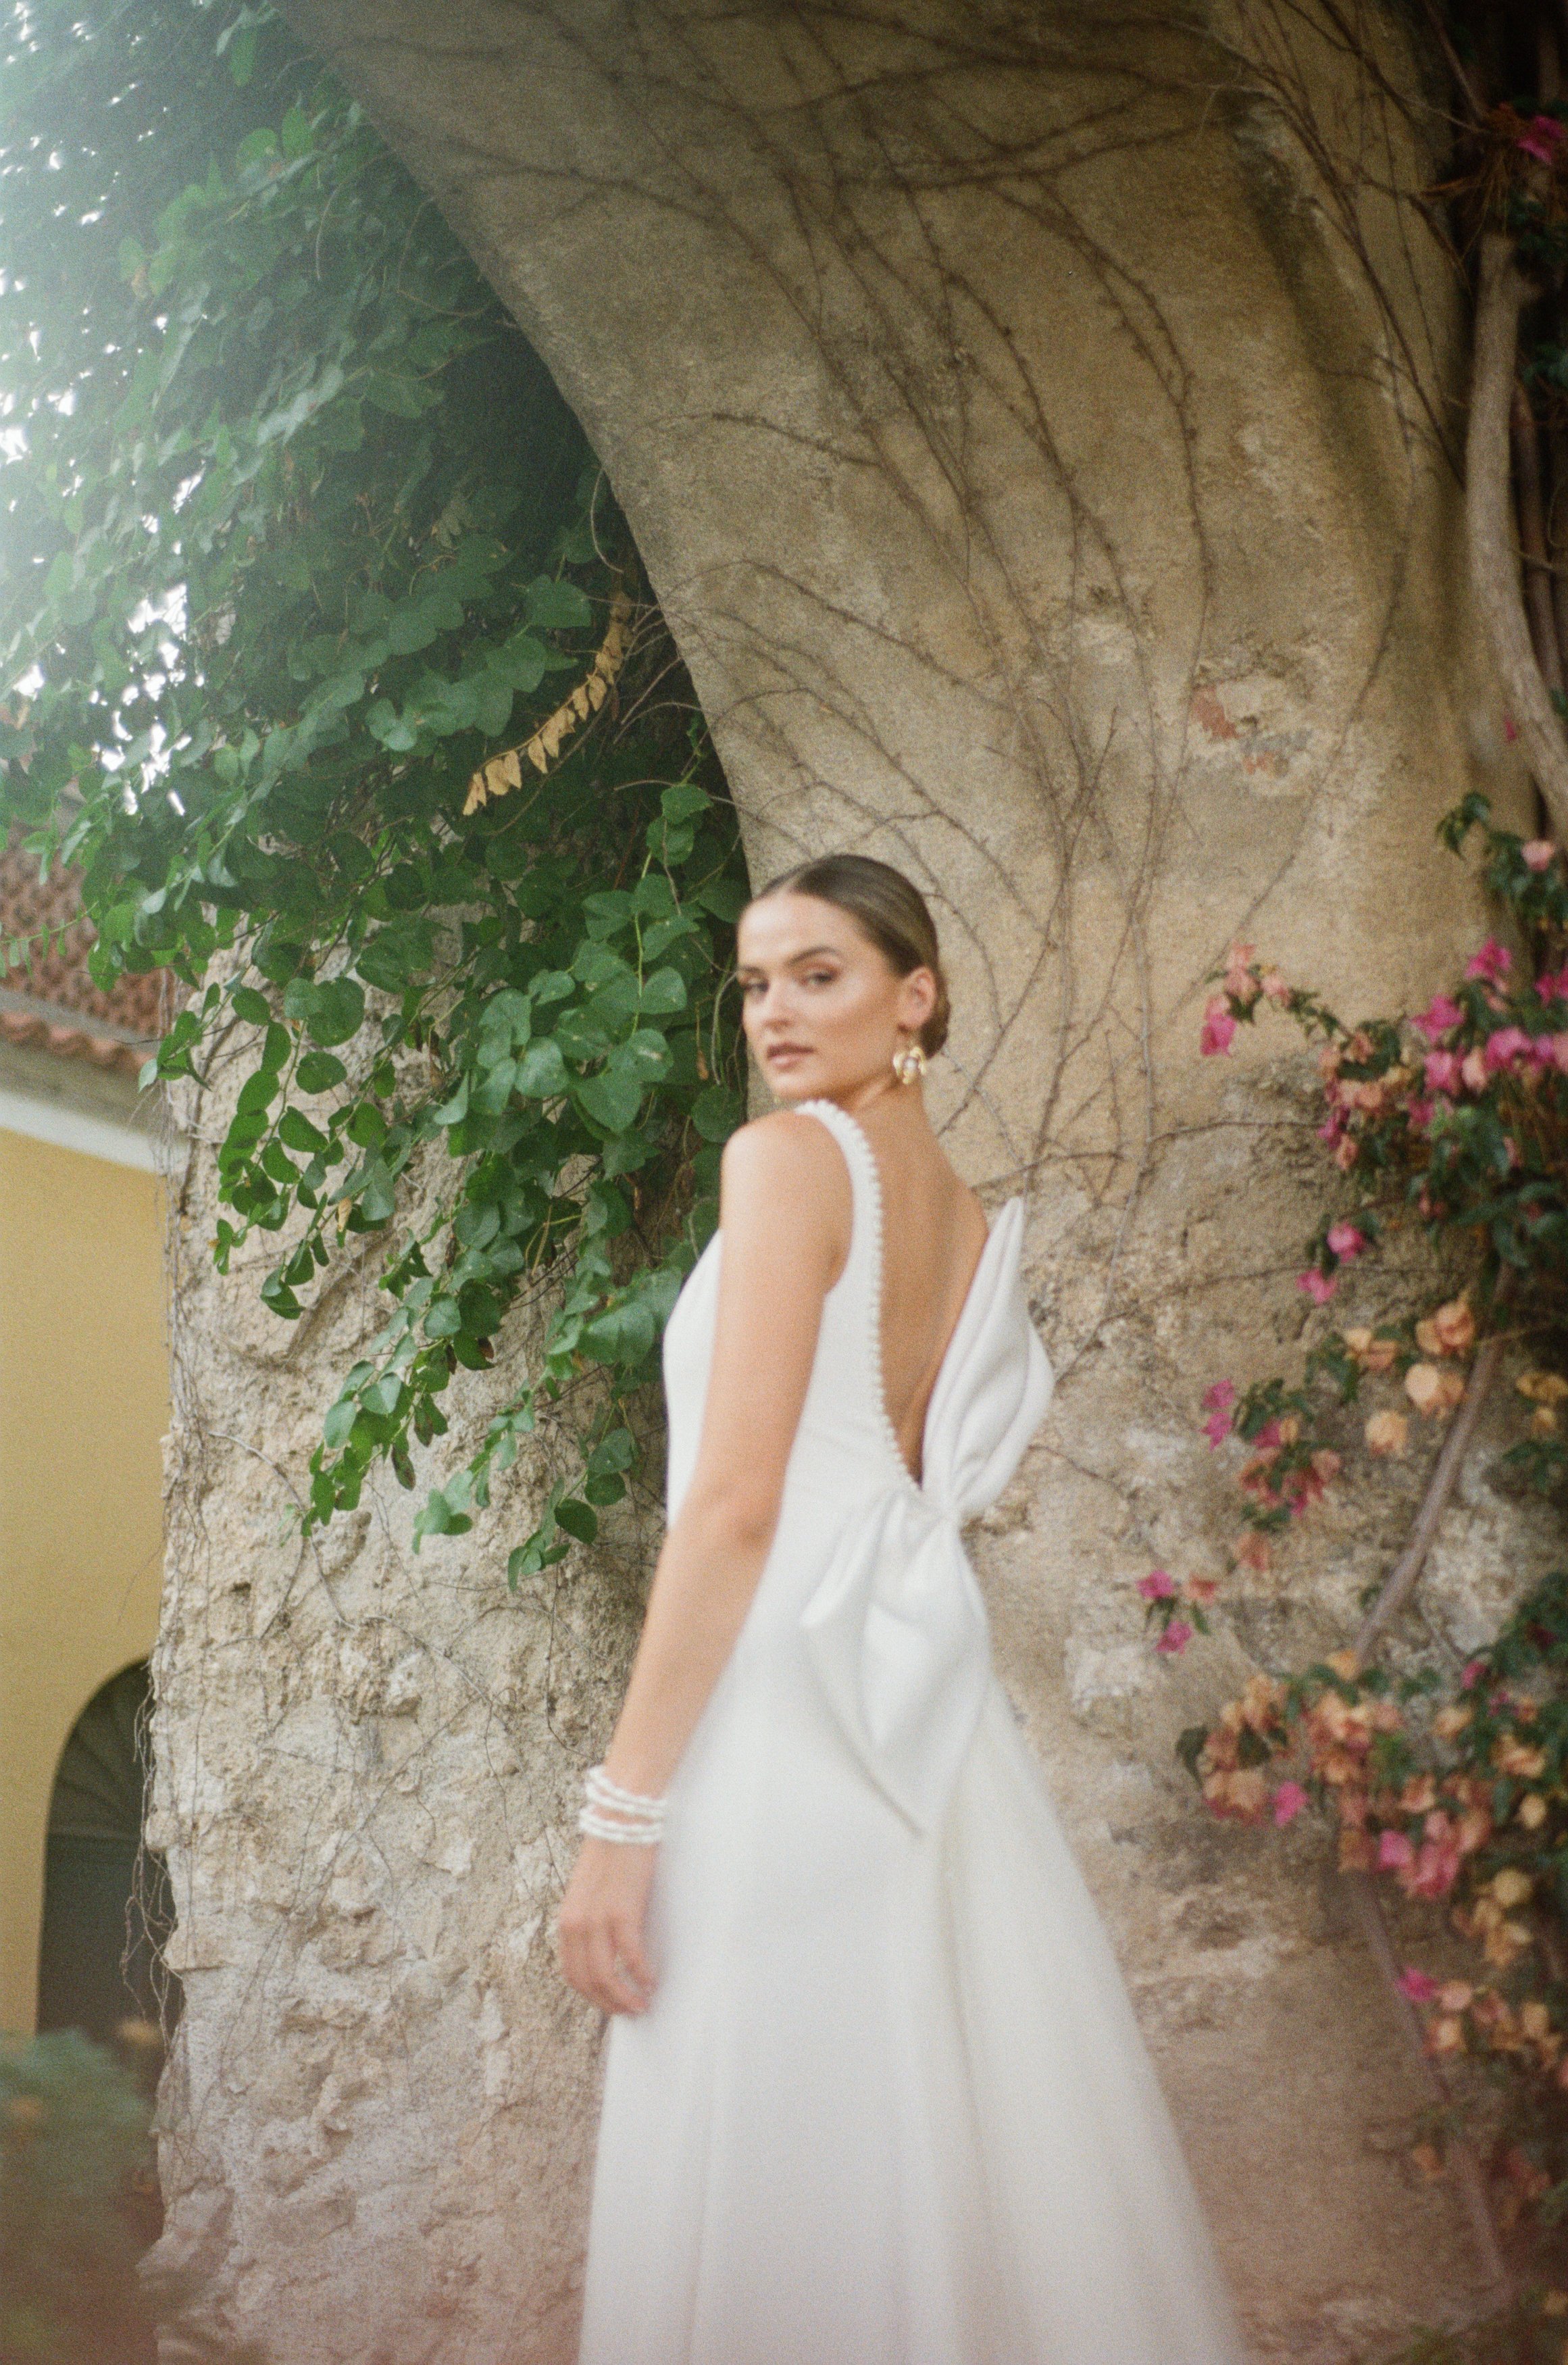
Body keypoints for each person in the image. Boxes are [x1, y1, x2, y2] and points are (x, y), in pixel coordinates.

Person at [557, 854, 1245, 2365]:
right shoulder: (976, 1221)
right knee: (938, 2158)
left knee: (780, 2179)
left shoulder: (789, 1160)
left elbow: (737, 1504)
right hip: (920, 1739)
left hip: (780, 1732)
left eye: (820, 974)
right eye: (754, 983)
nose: (776, 1014)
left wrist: (622, 1814)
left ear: (913, 994)